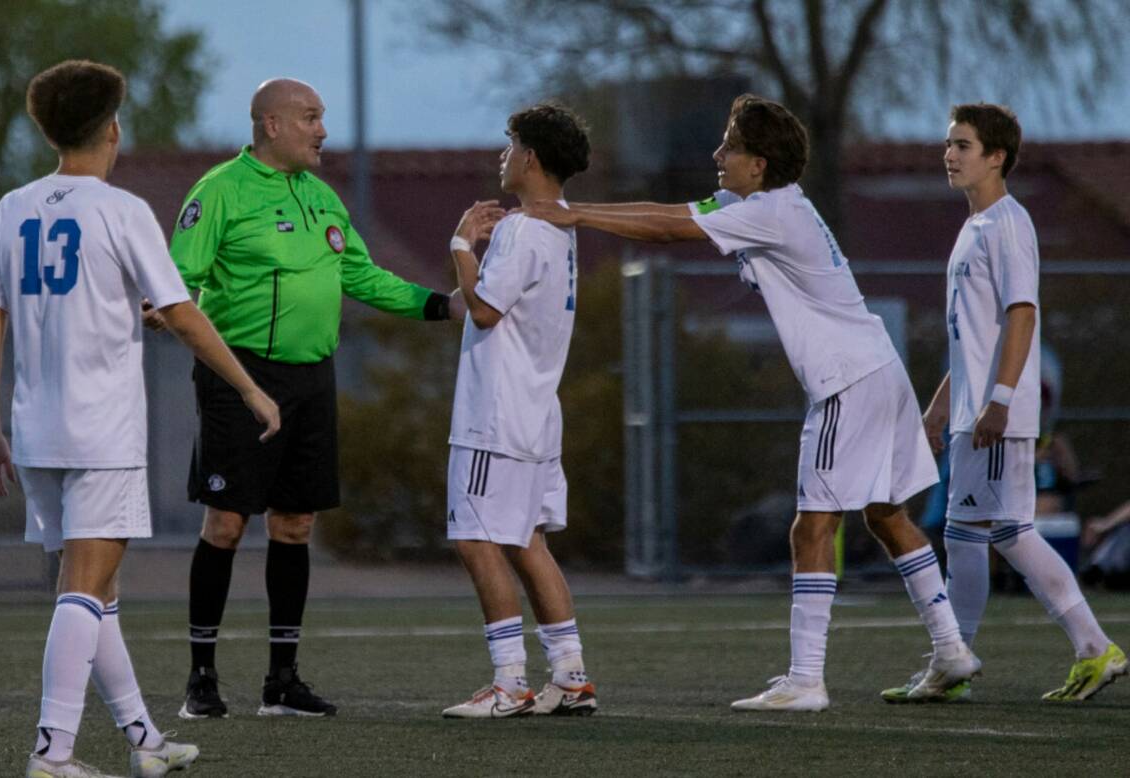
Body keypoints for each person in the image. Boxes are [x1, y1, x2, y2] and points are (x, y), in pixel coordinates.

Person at [524, 94, 978, 711]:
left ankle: (806, 680)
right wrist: (574, 211)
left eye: (730, 146)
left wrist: (571, 214)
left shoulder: (770, 213)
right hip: (878, 368)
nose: (718, 155)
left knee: (811, 526)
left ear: (759, 164)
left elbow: (664, 228)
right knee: (885, 516)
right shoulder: (761, 205)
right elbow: (670, 211)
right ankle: (951, 649)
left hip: (848, 380)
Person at [0, 60, 280, 778]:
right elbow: (180, 312)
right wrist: (250, 390)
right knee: (84, 587)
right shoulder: (122, 210)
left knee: (97, 591)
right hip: (102, 431)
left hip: (38, 431)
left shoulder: (12, 208)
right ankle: (54, 753)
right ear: (112, 128)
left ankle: (144, 741)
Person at [149, 78, 456, 719]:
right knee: (227, 522)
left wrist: (440, 305)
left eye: (322, 118)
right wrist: (162, 302)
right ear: (271, 125)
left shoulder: (323, 198)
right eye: (312, 118)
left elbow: (360, 275)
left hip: (313, 377)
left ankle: (281, 682)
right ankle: (200, 681)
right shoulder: (219, 191)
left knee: (296, 524)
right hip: (240, 376)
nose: (323, 130)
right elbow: (180, 274)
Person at [884, 103, 1125, 702]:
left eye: (963, 145)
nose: (950, 154)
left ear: (997, 157)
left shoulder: (1009, 223)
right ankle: (954, 659)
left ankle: (1096, 649)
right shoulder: (972, 229)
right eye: (948, 144)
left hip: (997, 416)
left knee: (1011, 532)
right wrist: (943, 404)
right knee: (964, 536)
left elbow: (1022, 315)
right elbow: (973, 335)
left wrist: (999, 400)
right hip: (971, 414)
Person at [440, 103, 598, 718]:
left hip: (495, 416)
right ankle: (572, 675)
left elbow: (483, 310)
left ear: (530, 157)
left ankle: (508, 682)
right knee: (526, 541)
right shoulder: (560, 230)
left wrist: (460, 243)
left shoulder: (522, 229)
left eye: (508, 146)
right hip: (535, 413)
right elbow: (471, 304)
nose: (501, 156)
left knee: (477, 539)